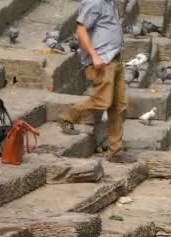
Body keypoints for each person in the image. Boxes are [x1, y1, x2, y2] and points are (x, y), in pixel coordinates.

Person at [61, 0, 133, 164]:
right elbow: (81, 29)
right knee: (103, 101)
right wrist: (94, 55)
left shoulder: (111, 2)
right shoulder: (95, 2)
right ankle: (68, 116)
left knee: (119, 106)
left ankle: (116, 151)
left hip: (115, 58)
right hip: (102, 61)